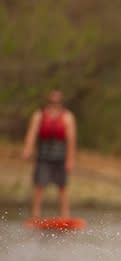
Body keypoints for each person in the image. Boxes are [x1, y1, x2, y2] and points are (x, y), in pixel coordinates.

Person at [21, 89, 77, 219]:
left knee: (62, 187)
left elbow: (71, 140)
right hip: (43, 157)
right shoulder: (39, 115)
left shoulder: (68, 117)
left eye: (57, 102)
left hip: (60, 157)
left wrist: (70, 160)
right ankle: (35, 215)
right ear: (48, 102)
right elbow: (32, 133)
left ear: (61, 103)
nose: (54, 104)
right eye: (52, 102)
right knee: (40, 185)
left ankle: (65, 216)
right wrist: (27, 150)